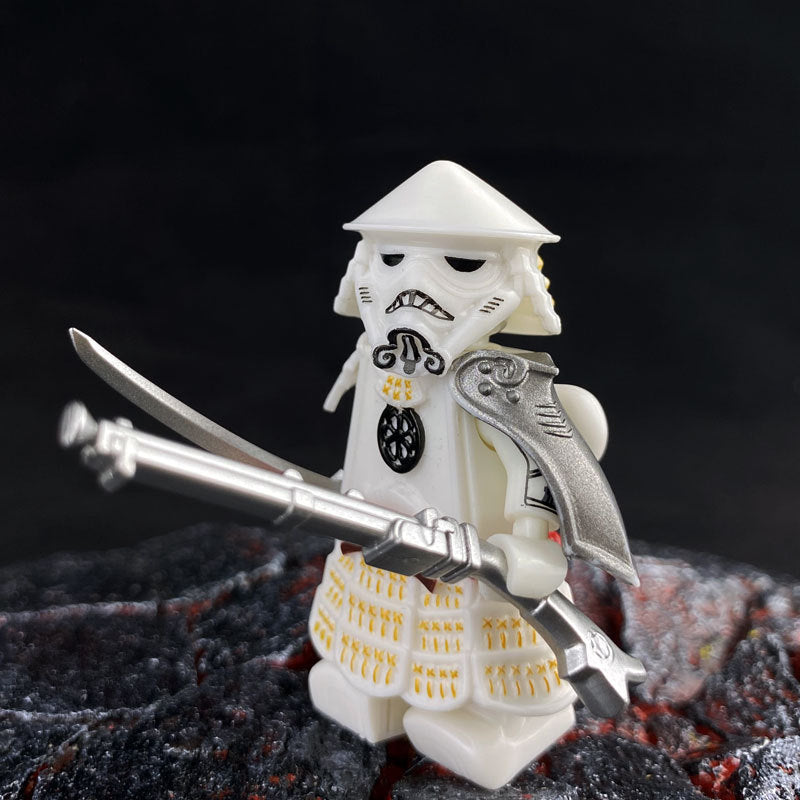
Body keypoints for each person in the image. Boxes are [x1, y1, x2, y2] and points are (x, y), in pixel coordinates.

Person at [308, 161, 609, 789]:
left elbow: (537, 468)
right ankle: (373, 695)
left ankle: (499, 727)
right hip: (376, 539)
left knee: (483, 655)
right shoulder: (373, 357)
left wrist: (533, 543)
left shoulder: (505, 381)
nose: (413, 284)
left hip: (471, 562)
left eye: (461, 263)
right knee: (364, 651)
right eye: (392, 258)